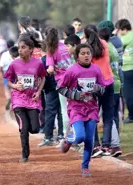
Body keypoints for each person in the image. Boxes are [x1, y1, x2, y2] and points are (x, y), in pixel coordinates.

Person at [59, 43, 105, 177]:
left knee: (89, 140)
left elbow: (102, 88)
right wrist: (75, 95)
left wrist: (97, 89)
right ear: (77, 56)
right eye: (83, 53)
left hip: (91, 108)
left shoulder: (96, 70)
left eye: (88, 53)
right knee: (80, 137)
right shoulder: (72, 70)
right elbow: (60, 88)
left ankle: (85, 166)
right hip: (76, 109)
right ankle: (69, 140)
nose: (86, 56)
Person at [4, 33, 46, 163]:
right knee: (24, 127)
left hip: (33, 100)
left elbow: (43, 77)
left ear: (30, 50)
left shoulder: (38, 63)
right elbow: (8, 80)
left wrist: (39, 92)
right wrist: (15, 85)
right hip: (18, 100)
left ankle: (34, 124)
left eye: (23, 47)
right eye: (19, 47)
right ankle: (24, 154)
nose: (20, 50)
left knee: (34, 129)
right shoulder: (14, 64)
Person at [83, 24, 114, 157]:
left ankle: (95, 146)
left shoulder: (85, 47)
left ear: (85, 34)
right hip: (108, 82)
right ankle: (106, 146)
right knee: (108, 116)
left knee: (92, 116)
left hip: (93, 85)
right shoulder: (104, 44)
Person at [45, 27, 74, 148]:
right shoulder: (64, 45)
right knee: (75, 108)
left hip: (62, 82)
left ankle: (66, 137)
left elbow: (50, 69)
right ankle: (77, 134)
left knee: (64, 110)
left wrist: (49, 70)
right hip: (74, 78)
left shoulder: (50, 50)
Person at [98, 27, 123, 157]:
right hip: (115, 83)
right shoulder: (112, 47)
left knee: (109, 116)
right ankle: (113, 144)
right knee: (111, 115)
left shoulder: (103, 49)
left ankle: (112, 144)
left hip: (109, 83)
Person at [114, 19, 133, 124]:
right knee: (132, 93)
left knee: (128, 94)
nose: (119, 33)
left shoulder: (126, 38)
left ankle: (132, 117)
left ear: (124, 29)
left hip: (128, 67)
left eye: (119, 30)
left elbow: (115, 45)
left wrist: (114, 35)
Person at [37, 44, 64, 147]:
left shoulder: (43, 60)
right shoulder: (58, 56)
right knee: (61, 111)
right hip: (60, 85)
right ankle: (61, 134)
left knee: (49, 112)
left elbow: (40, 76)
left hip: (50, 88)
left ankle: (48, 136)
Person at [0, 40, 17, 110]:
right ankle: (13, 103)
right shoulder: (16, 53)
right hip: (15, 71)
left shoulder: (4, 54)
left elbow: (1, 66)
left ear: (7, 46)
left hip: (6, 71)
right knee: (14, 88)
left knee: (7, 88)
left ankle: (9, 98)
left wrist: (3, 74)